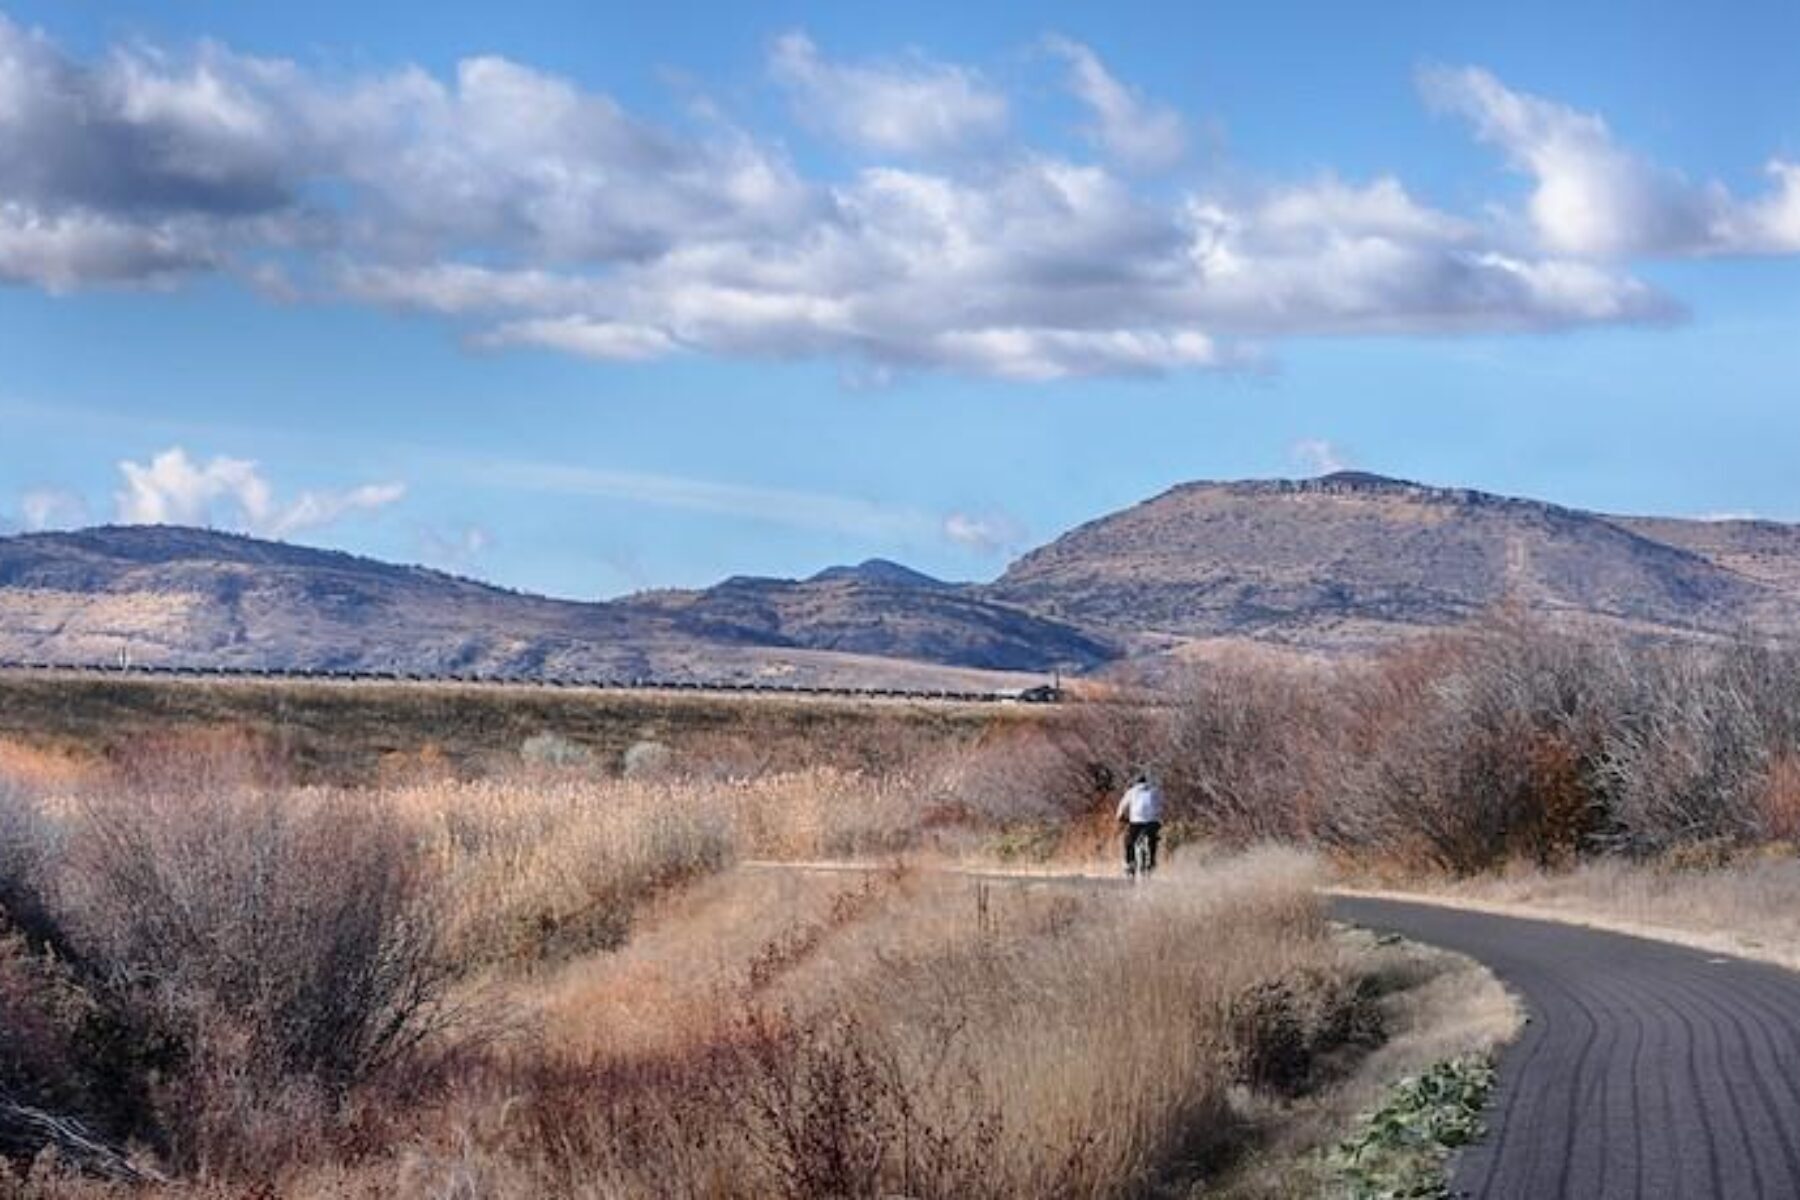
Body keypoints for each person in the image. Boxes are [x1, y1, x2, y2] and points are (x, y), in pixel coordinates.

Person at [1116, 771, 1163, 877]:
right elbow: (1161, 806)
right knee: (1153, 840)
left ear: (1136, 782)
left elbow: (1121, 807)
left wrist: (1120, 817)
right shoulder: (1155, 791)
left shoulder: (1131, 791)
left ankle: (1130, 865)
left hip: (1136, 822)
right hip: (1152, 822)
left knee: (1129, 842)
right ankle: (1151, 863)